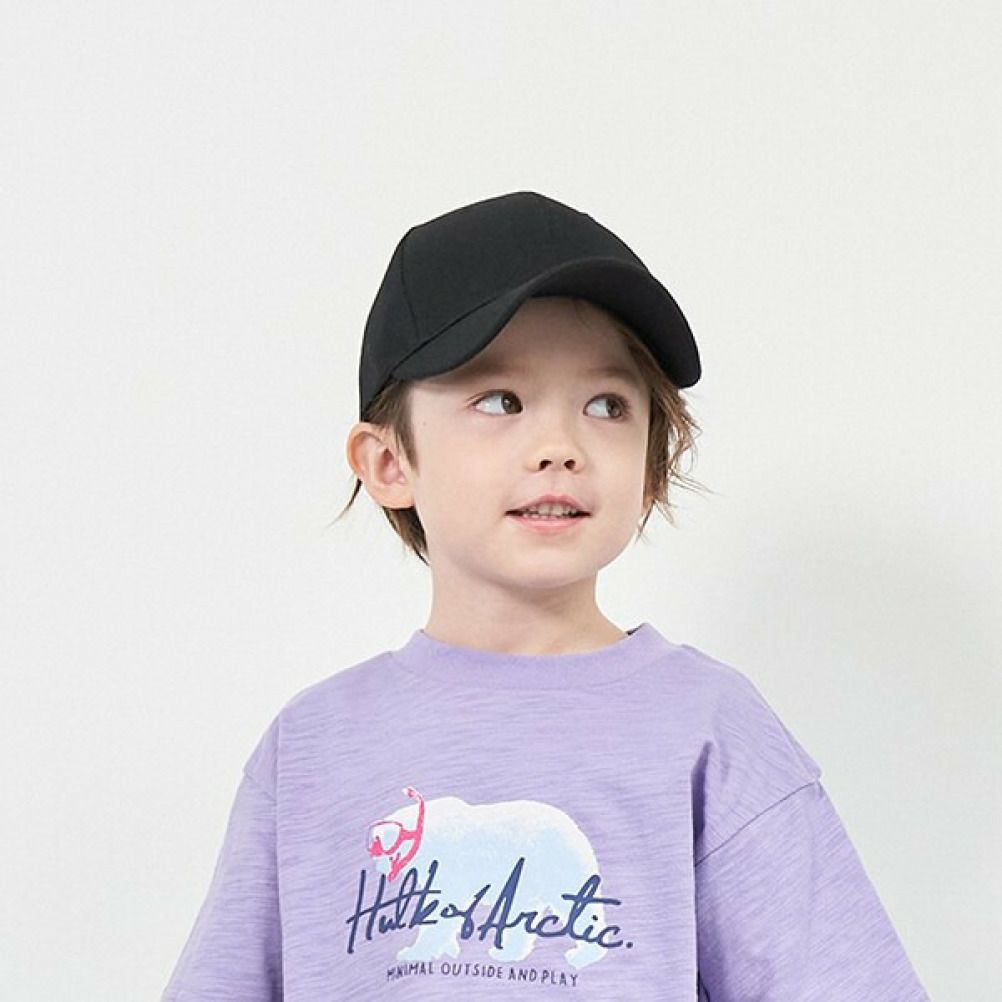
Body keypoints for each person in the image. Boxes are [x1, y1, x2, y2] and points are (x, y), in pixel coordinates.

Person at [161, 191, 930, 1000]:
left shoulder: (707, 731)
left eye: (606, 405)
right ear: (389, 463)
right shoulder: (313, 748)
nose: (560, 446)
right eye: (500, 400)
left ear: (652, 469)